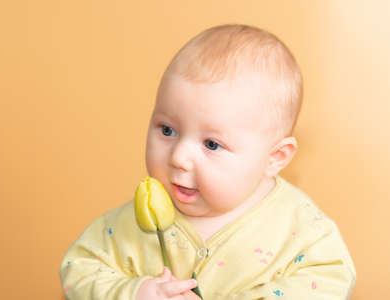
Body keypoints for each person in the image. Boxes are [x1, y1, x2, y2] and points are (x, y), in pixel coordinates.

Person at [59, 24, 356, 300]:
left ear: (274, 158)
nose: (178, 158)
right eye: (167, 130)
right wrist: (134, 292)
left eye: (212, 144)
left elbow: (331, 278)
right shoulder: (131, 224)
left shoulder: (299, 226)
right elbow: (78, 267)